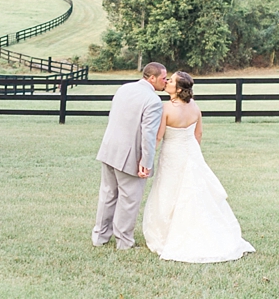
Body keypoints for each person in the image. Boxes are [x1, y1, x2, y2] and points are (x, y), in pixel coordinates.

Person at [142, 71, 255, 263]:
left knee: (169, 191)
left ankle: (168, 234)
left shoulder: (166, 108)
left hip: (172, 155)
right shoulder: (195, 107)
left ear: (178, 89)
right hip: (191, 154)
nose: (167, 82)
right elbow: (198, 135)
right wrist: (194, 157)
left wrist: (146, 159)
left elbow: (158, 137)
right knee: (195, 192)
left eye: (171, 81)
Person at [92, 62, 167, 250]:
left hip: (109, 149)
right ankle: (124, 241)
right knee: (129, 199)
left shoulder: (124, 89)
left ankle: (99, 237)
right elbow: (148, 134)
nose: (165, 82)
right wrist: (146, 162)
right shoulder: (153, 101)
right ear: (152, 78)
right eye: (163, 78)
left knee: (108, 194)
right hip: (129, 155)